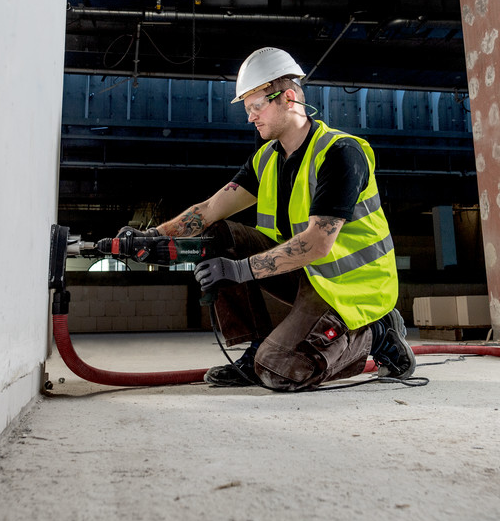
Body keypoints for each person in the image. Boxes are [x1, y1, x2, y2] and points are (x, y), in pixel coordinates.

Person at [116, 46, 415, 391]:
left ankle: (377, 332)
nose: (250, 118)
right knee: (218, 235)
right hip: (307, 275)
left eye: (256, 106)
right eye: (247, 109)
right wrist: (154, 236)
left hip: (352, 286)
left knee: (280, 372)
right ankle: (257, 346)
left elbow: (317, 243)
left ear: (288, 98)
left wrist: (239, 270)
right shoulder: (266, 160)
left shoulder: (340, 153)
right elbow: (210, 210)